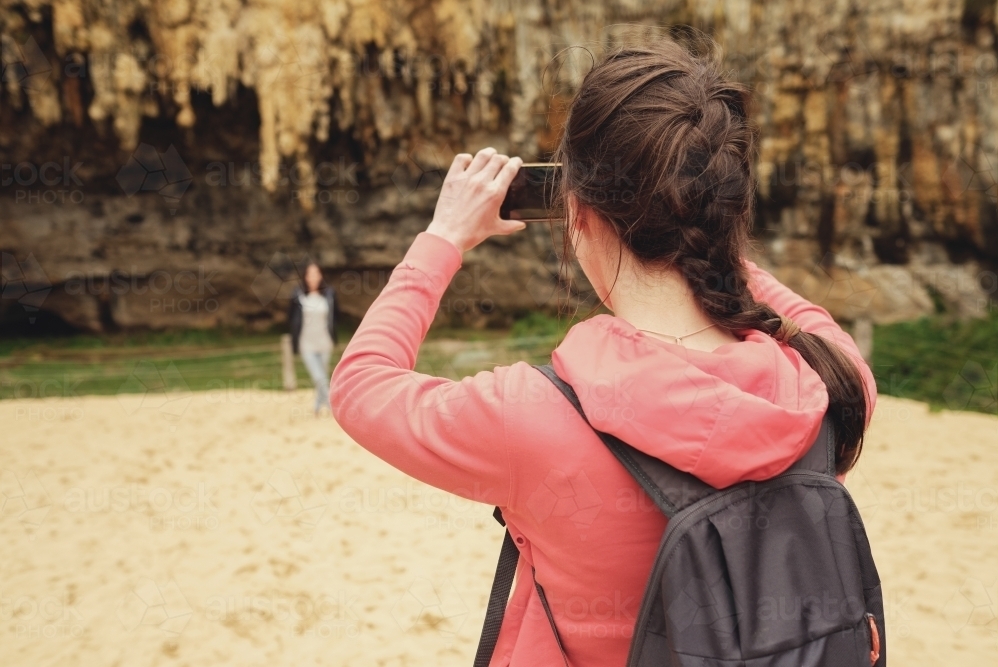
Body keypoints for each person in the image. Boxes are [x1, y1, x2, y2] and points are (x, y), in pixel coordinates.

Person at [331, 37, 876, 667]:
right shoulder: (830, 385)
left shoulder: (531, 415)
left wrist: (443, 236)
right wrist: (708, 232)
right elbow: (808, 320)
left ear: (579, 211)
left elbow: (361, 384)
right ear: (727, 209)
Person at [289, 263, 337, 416]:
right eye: (310, 274)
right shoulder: (298, 295)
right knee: (318, 377)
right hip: (306, 343)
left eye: (316, 273)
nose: (313, 277)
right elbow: (292, 319)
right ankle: (332, 405)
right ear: (305, 277)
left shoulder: (329, 295)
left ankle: (317, 407)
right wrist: (294, 341)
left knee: (322, 376)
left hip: (324, 342)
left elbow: (335, 317)